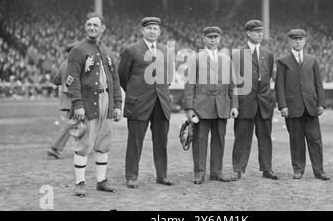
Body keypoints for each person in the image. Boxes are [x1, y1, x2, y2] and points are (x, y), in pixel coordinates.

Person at [66, 12, 122, 197]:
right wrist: (78, 104)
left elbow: (115, 80)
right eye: (89, 24)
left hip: (106, 101)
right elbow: (71, 79)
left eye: (95, 25)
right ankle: (80, 182)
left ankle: (101, 181)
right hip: (87, 101)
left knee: (103, 142)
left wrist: (117, 105)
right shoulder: (78, 50)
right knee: (83, 142)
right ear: (85, 26)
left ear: (102, 28)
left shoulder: (107, 51)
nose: (91, 27)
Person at [118, 17, 174, 189]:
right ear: (142, 30)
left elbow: (168, 77)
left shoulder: (165, 50)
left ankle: (162, 175)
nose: (152, 31)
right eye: (149, 28)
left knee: (161, 141)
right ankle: (132, 176)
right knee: (135, 141)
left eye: (155, 28)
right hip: (139, 103)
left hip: (161, 103)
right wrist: (137, 93)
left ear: (159, 31)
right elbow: (122, 76)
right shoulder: (131, 50)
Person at [183, 26, 239, 184]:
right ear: (204, 39)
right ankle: (200, 172)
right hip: (201, 107)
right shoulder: (195, 58)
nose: (213, 40)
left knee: (219, 140)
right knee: (200, 141)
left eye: (216, 37)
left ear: (220, 39)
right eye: (210, 37)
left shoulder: (226, 59)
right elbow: (189, 85)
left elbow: (232, 85)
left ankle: (216, 172)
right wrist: (189, 108)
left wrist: (234, 106)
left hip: (222, 106)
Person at [275, 29, 329, 180]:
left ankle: (319, 171)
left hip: (311, 107)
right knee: (296, 140)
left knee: (315, 139)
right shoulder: (283, 61)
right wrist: (283, 106)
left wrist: (321, 103)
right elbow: (279, 86)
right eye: (295, 39)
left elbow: (318, 84)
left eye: (300, 39)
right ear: (290, 41)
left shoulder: (312, 60)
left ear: (305, 41)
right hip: (292, 107)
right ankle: (298, 169)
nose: (298, 41)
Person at [231, 20, 279, 180]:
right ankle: (238, 169)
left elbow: (269, 78)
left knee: (265, 137)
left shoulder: (268, 54)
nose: (260, 34)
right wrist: (235, 104)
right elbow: (233, 81)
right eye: (256, 31)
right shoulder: (238, 54)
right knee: (242, 137)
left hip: (264, 103)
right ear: (248, 33)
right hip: (245, 104)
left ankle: (267, 168)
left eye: (261, 31)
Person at [47, 41, 78, 159]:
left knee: (79, 124)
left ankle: (82, 147)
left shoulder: (63, 64)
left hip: (66, 100)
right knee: (71, 124)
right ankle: (54, 148)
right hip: (75, 99)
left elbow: (55, 81)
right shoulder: (77, 64)